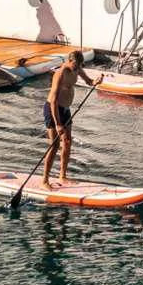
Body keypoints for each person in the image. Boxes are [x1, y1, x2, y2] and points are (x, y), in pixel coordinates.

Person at [39, 50, 103, 186]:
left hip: (66, 110)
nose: (77, 67)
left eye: (79, 65)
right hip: (53, 110)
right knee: (55, 145)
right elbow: (54, 101)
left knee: (67, 142)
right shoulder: (60, 74)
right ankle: (44, 180)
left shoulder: (77, 69)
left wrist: (95, 81)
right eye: (75, 64)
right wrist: (58, 124)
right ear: (69, 60)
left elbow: (89, 81)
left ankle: (62, 176)